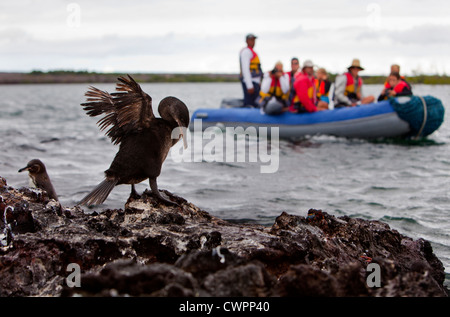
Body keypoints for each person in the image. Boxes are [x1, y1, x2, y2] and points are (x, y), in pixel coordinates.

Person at [239, 33, 262, 107]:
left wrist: (259, 82)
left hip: (255, 82)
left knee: (256, 103)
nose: (253, 42)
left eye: (254, 40)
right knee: (250, 103)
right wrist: (249, 85)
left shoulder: (252, 52)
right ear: (247, 41)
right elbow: (245, 69)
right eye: (251, 40)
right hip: (250, 82)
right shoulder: (246, 52)